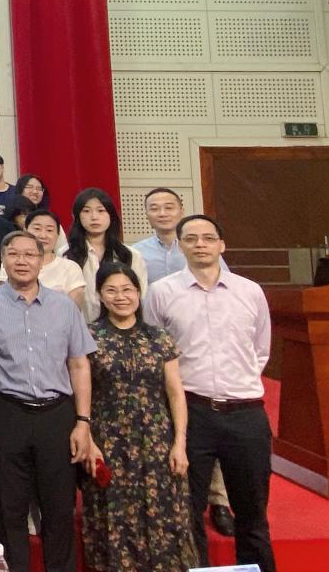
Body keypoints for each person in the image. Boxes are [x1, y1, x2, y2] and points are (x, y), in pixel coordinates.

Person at [145, 215, 276, 572]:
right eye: (191, 239)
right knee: (187, 512)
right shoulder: (162, 292)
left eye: (208, 238)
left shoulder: (250, 291)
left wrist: (238, 383)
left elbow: (260, 349)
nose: (200, 244)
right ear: (181, 246)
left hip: (245, 412)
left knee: (252, 512)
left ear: (222, 245)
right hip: (192, 412)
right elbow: (156, 352)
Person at [0, 231, 96, 572]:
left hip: (56, 415)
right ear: (3, 260)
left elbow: (79, 364)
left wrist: (83, 422)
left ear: (42, 261)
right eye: (14, 254)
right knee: (9, 508)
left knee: (59, 508)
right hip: (6, 413)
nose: (22, 261)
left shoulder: (64, 306)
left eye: (30, 254)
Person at [82, 263, 198, 572]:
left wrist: (180, 443)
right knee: (113, 517)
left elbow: (175, 392)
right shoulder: (89, 337)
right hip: (109, 442)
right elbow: (81, 394)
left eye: (127, 290)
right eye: (111, 290)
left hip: (156, 442)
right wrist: (89, 441)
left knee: (164, 516)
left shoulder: (159, 337)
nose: (120, 297)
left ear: (138, 292)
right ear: (100, 296)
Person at [132, 187, 235, 535]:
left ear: (180, 209)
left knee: (210, 427)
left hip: (204, 353)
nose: (162, 213)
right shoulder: (137, 253)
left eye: (168, 206)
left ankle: (218, 501)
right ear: (147, 214)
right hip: (163, 349)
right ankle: (175, 498)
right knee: (172, 429)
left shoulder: (202, 246)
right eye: (154, 208)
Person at [65, 188, 149, 322]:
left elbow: (141, 296)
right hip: (79, 326)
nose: (94, 217)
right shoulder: (66, 254)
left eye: (101, 210)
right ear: (77, 216)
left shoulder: (130, 255)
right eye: (86, 211)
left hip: (121, 326)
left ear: (111, 215)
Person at [6, 210, 85, 310]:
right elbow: (4, 302)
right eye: (37, 229)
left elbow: (73, 310)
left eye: (49, 230)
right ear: (25, 232)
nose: (43, 235)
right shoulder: (12, 263)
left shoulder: (71, 268)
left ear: (58, 235)